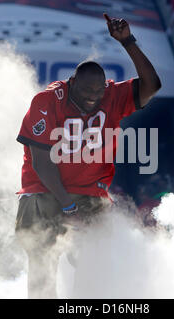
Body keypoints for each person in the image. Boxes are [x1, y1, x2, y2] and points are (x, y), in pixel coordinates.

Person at [14, 13, 161, 298]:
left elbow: (152, 86)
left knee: (95, 265)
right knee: (43, 263)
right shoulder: (47, 101)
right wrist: (68, 207)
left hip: (90, 194)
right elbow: (42, 163)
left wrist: (128, 42)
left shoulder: (111, 96)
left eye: (98, 91)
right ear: (72, 82)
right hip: (44, 192)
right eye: (85, 91)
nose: (93, 97)